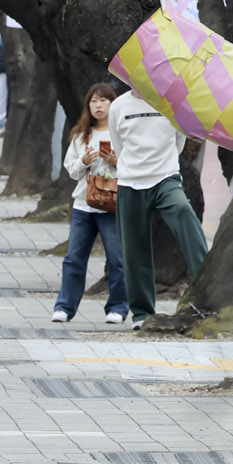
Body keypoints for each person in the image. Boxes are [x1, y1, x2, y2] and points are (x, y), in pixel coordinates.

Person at [109, 89, 210, 325]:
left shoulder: (170, 103)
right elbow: (118, 145)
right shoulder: (119, 106)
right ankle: (142, 313)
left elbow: (179, 143)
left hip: (165, 178)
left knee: (183, 212)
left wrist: (162, 166)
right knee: (135, 250)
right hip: (130, 182)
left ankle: (207, 280)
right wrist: (135, 169)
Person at [52, 84, 128, 325]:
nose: (98, 106)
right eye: (94, 101)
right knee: (74, 257)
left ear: (113, 105)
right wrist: (84, 161)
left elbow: (133, 168)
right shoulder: (80, 135)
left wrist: (116, 161)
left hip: (112, 205)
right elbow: (71, 171)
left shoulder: (122, 134)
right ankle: (64, 306)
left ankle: (117, 307)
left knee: (117, 259)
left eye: (104, 101)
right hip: (84, 205)